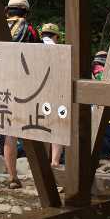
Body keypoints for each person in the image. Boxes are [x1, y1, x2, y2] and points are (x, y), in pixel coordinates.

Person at [3, 0, 39, 188]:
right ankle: (40, 174)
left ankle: (12, 177)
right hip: (26, 83)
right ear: (25, 12)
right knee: (31, 126)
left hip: (1, 84)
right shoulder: (30, 30)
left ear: (7, 10)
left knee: (10, 131)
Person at [39, 23, 65, 166]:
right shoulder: (60, 50)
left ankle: (43, 162)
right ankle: (54, 162)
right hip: (56, 91)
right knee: (56, 127)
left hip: (38, 92)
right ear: (56, 36)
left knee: (41, 127)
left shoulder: (35, 47)